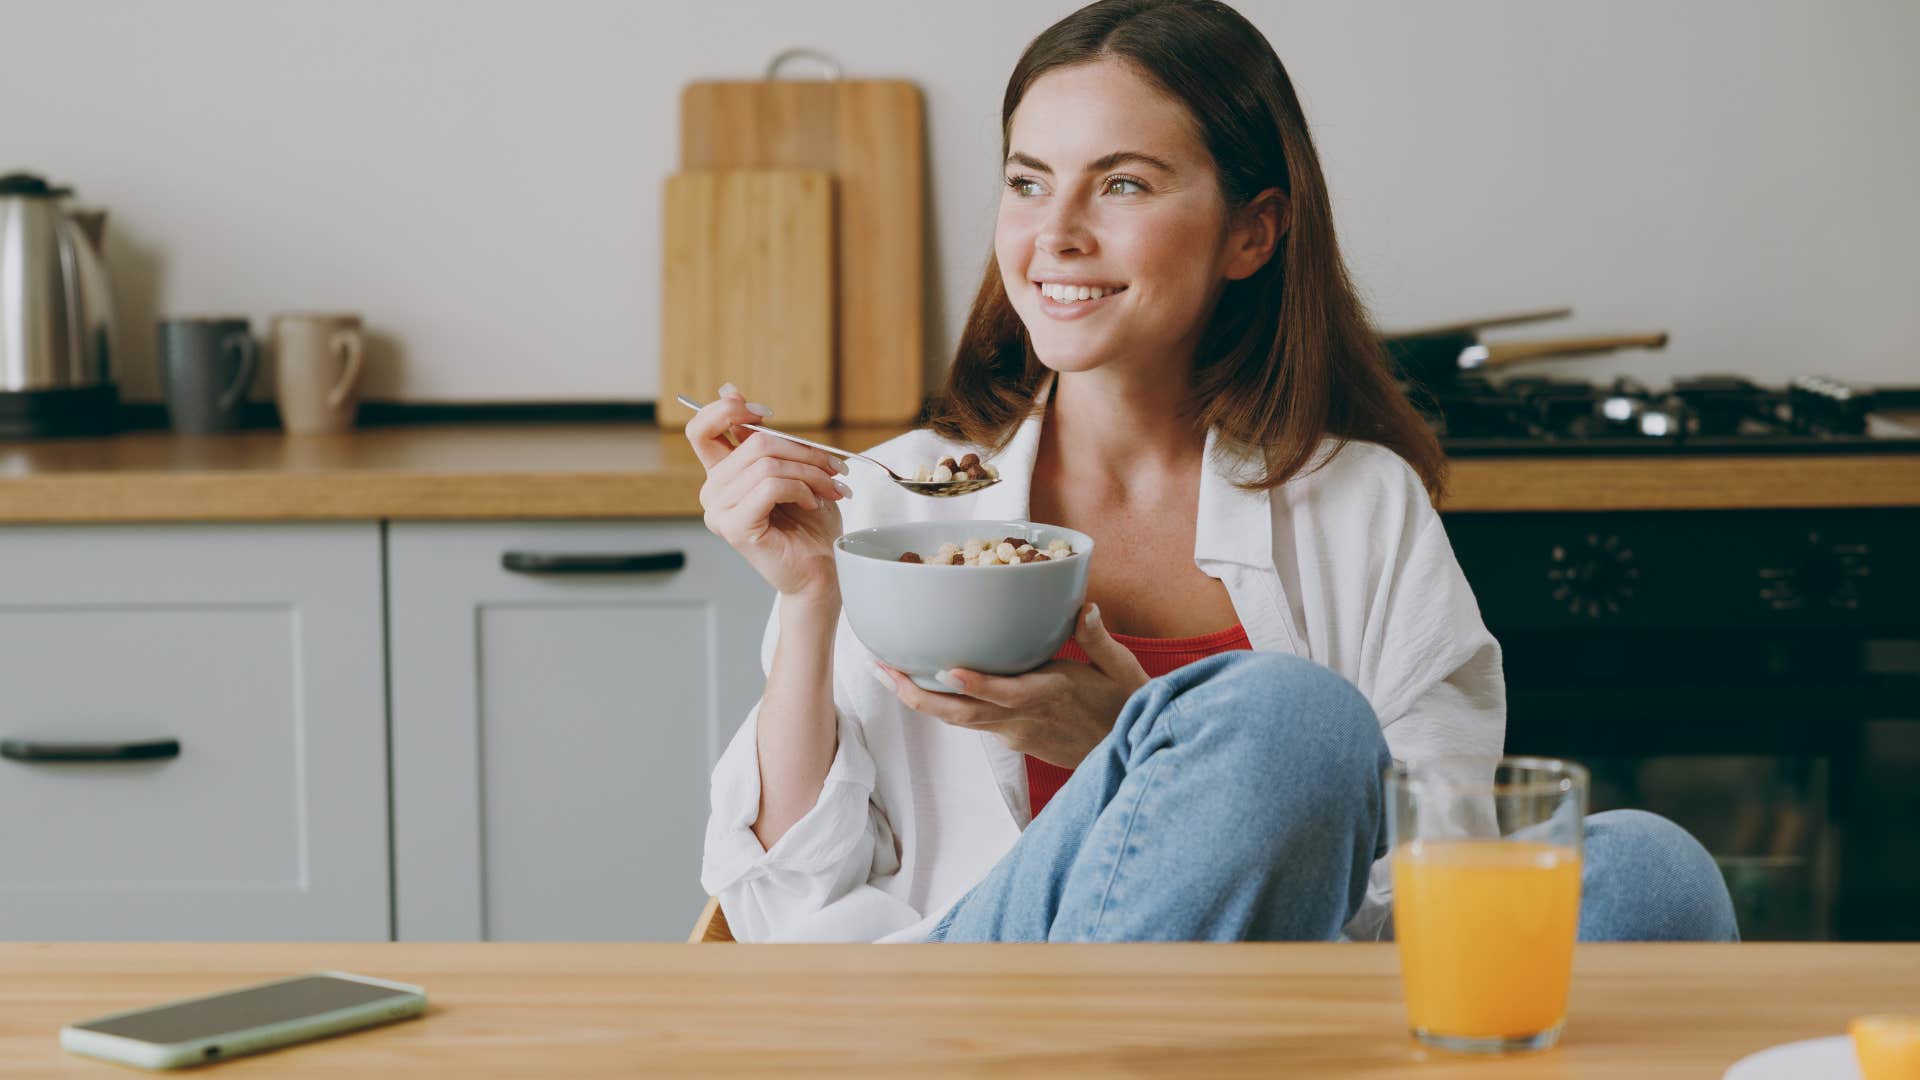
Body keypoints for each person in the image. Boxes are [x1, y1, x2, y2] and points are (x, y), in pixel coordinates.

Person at [684, 0, 1738, 944]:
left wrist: (1128, 738)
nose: (1055, 236)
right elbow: (788, 909)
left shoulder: (1361, 506)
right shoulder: (896, 500)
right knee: (1290, 715)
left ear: (1252, 232)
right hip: (980, 1007)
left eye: (1124, 184)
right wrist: (813, 595)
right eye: (1027, 182)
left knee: (1654, 873)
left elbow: (1426, 875)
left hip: (1296, 997)